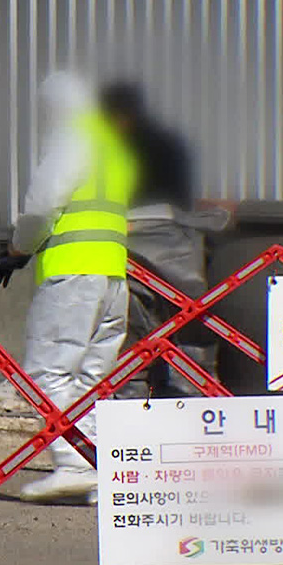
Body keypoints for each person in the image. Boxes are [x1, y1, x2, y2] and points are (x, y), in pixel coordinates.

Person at [0, 71, 138, 505]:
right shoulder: (114, 147)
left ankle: (72, 464)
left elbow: (43, 204)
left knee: (45, 373)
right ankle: (92, 467)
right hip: (112, 276)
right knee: (90, 377)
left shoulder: (73, 138)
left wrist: (18, 249)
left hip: (72, 273)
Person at [98, 82, 227, 400]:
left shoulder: (114, 147)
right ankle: (187, 390)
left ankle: (133, 392)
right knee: (186, 322)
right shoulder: (170, 143)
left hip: (133, 238)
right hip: (178, 242)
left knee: (134, 325)